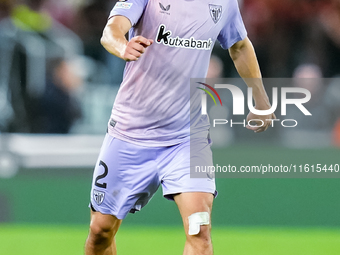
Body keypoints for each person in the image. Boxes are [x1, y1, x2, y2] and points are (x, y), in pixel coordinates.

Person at [85, 0, 276, 254]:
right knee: (100, 231)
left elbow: (239, 46)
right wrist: (123, 46)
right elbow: (111, 31)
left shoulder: (224, 3)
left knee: (200, 231)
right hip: (129, 133)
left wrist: (261, 100)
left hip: (186, 138)